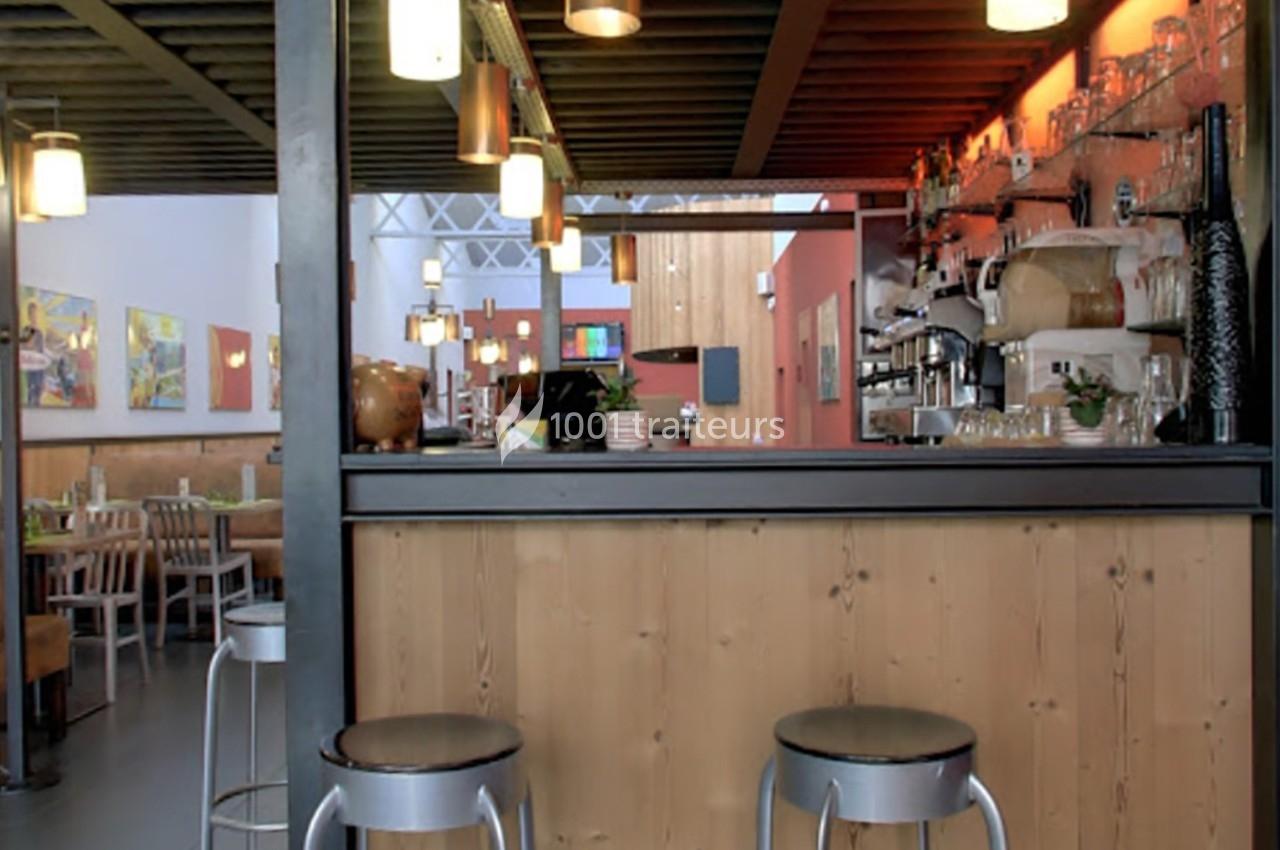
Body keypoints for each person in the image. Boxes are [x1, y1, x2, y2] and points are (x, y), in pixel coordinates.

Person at [21, 300, 45, 406]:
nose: (34, 315)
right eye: (32, 313)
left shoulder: (40, 332)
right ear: (29, 315)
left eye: (36, 313)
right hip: (31, 368)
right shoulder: (27, 330)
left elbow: (42, 352)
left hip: (39, 369)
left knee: (39, 396)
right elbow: (24, 348)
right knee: (31, 394)